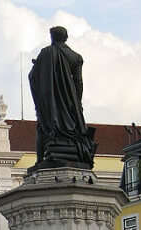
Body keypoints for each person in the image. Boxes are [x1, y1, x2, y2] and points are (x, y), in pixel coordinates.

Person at [28, 26, 95, 168]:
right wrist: (77, 102)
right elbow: (78, 82)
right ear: (66, 38)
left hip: (49, 101)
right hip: (70, 101)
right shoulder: (76, 57)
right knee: (73, 129)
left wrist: (39, 94)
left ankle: (40, 160)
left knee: (43, 126)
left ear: (52, 37)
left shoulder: (45, 53)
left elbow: (32, 76)